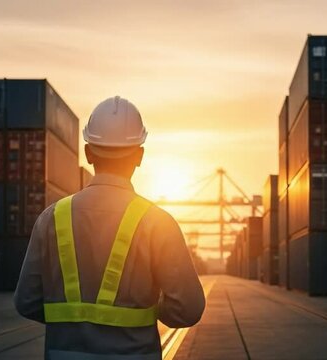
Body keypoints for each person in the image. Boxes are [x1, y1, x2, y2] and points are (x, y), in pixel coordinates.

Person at [14, 96, 205, 360]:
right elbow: (189, 309)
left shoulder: (51, 218)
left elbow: (26, 302)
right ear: (139, 156)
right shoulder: (158, 223)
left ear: (88, 153)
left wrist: (70, 321)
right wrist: (151, 310)